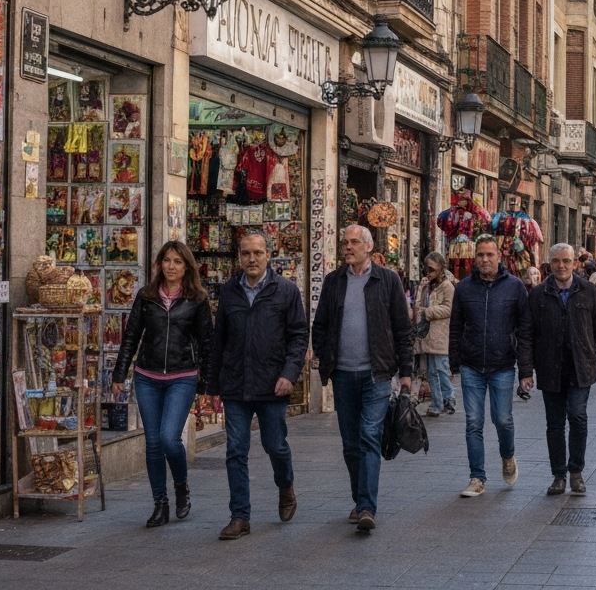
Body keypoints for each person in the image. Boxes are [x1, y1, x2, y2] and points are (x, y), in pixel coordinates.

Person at [206, 229, 310, 540]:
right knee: (236, 450)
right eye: (246, 253)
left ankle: (286, 485)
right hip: (236, 384)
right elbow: (219, 340)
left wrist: (289, 374)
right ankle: (240, 516)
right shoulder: (229, 292)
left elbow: (298, 337)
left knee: (274, 445)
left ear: (268, 255)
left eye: (258, 253)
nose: (252, 259)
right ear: (239, 257)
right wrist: (213, 386)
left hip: (271, 384)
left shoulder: (286, 291)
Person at [311, 225, 413, 532]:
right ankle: (359, 499)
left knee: (369, 436)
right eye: (345, 242)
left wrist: (406, 374)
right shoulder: (334, 282)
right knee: (350, 444)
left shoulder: (388, 280)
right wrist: (322, 357)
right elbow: (321, 324)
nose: (347, 247)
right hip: (343, 375)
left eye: (354, 242)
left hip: (377, 374)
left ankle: (367, 506)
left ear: (369, 247)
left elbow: (403, 331)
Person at [110, 240, 214, 527]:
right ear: (159, 264)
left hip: (182, 377)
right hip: (148, 378)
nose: (171, 266)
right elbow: (131, 336)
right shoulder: (147, 296)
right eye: (167, 260)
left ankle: (181, 486)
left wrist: (208, 385)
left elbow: (207, 343)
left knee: (170, 438)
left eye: (177, 262)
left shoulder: (197, 299)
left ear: (186, 267)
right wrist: (120, 374)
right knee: (153, 443)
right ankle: (160, 503)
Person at [520, 244, 596, 495]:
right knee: (554, 424)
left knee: (577, 415)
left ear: (575, 263)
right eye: (556, 261)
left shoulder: (587, 290)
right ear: (549, 264)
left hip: (580, 365)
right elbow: (527, 335)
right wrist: (526, 370)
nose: (561, 265)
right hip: (550, 367)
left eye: (566, 261)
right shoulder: (539, 294)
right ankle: (559, 475)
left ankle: (576, 472)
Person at [449, 234, 532, 497]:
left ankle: (507, 457)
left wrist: (526, 370)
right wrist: (454, 362)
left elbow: (525, 329)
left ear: (499, 256)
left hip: (503, 364)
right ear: (476, 257)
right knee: (473, 421)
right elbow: (455, 328)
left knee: (503, 420)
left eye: (490, 254)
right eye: (481, 255)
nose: (485, 259)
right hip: (472, 364)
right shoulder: (463, 288)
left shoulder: (515, 287)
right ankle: (477, 478)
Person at [415, 251, 456, 417]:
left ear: (440, 269)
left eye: (432, 269)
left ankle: (449, 398)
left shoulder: (448, 286)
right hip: (427, 334)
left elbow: (449, 308)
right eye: (426, 269)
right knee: (430, 371)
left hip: (440, 334)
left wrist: (428, 312)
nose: (428, 272)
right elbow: (418, 304)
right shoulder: (426, 285)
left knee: (441, 368)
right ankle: (437, 404)